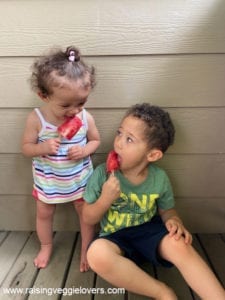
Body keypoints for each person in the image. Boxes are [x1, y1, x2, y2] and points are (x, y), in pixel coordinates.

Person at [82, 103, 225, 299]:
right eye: (119, 133)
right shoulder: (101, 174)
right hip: (115, 237)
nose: (119, 143)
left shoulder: (159, 178)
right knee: (96, 254)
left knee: (179, 244)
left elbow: (168, 210)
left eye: (129, 139)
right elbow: (88, 217)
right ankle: (162, 292)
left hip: (149, 231)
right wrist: (105, 200)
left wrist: (174, 220)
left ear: (153, 154)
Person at [21, 46, 100, 272]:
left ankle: (86, 248)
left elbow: (95, 140)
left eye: (81, 103)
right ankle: (46, 245)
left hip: (80, 180)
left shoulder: (86, 117)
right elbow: (26, 148)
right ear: (44, 96)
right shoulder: (36, 119)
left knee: (85, 214)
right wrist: (42, 147)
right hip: (48, 182)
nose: (74, 111)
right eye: (65, 105)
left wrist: (85, 151)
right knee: (44, 214)